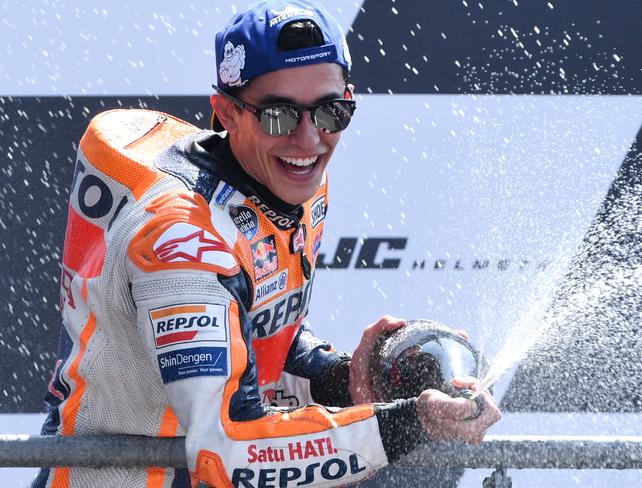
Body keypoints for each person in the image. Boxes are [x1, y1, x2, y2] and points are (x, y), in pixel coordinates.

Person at [32, 1, 501, 486]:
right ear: (225, 113)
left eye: (330, 111)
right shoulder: (181, 240)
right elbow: (228, 449)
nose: (307, 140)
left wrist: (343, 377)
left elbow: (255, 333)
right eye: (278, 115)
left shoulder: (287, 177)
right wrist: (411, 420)